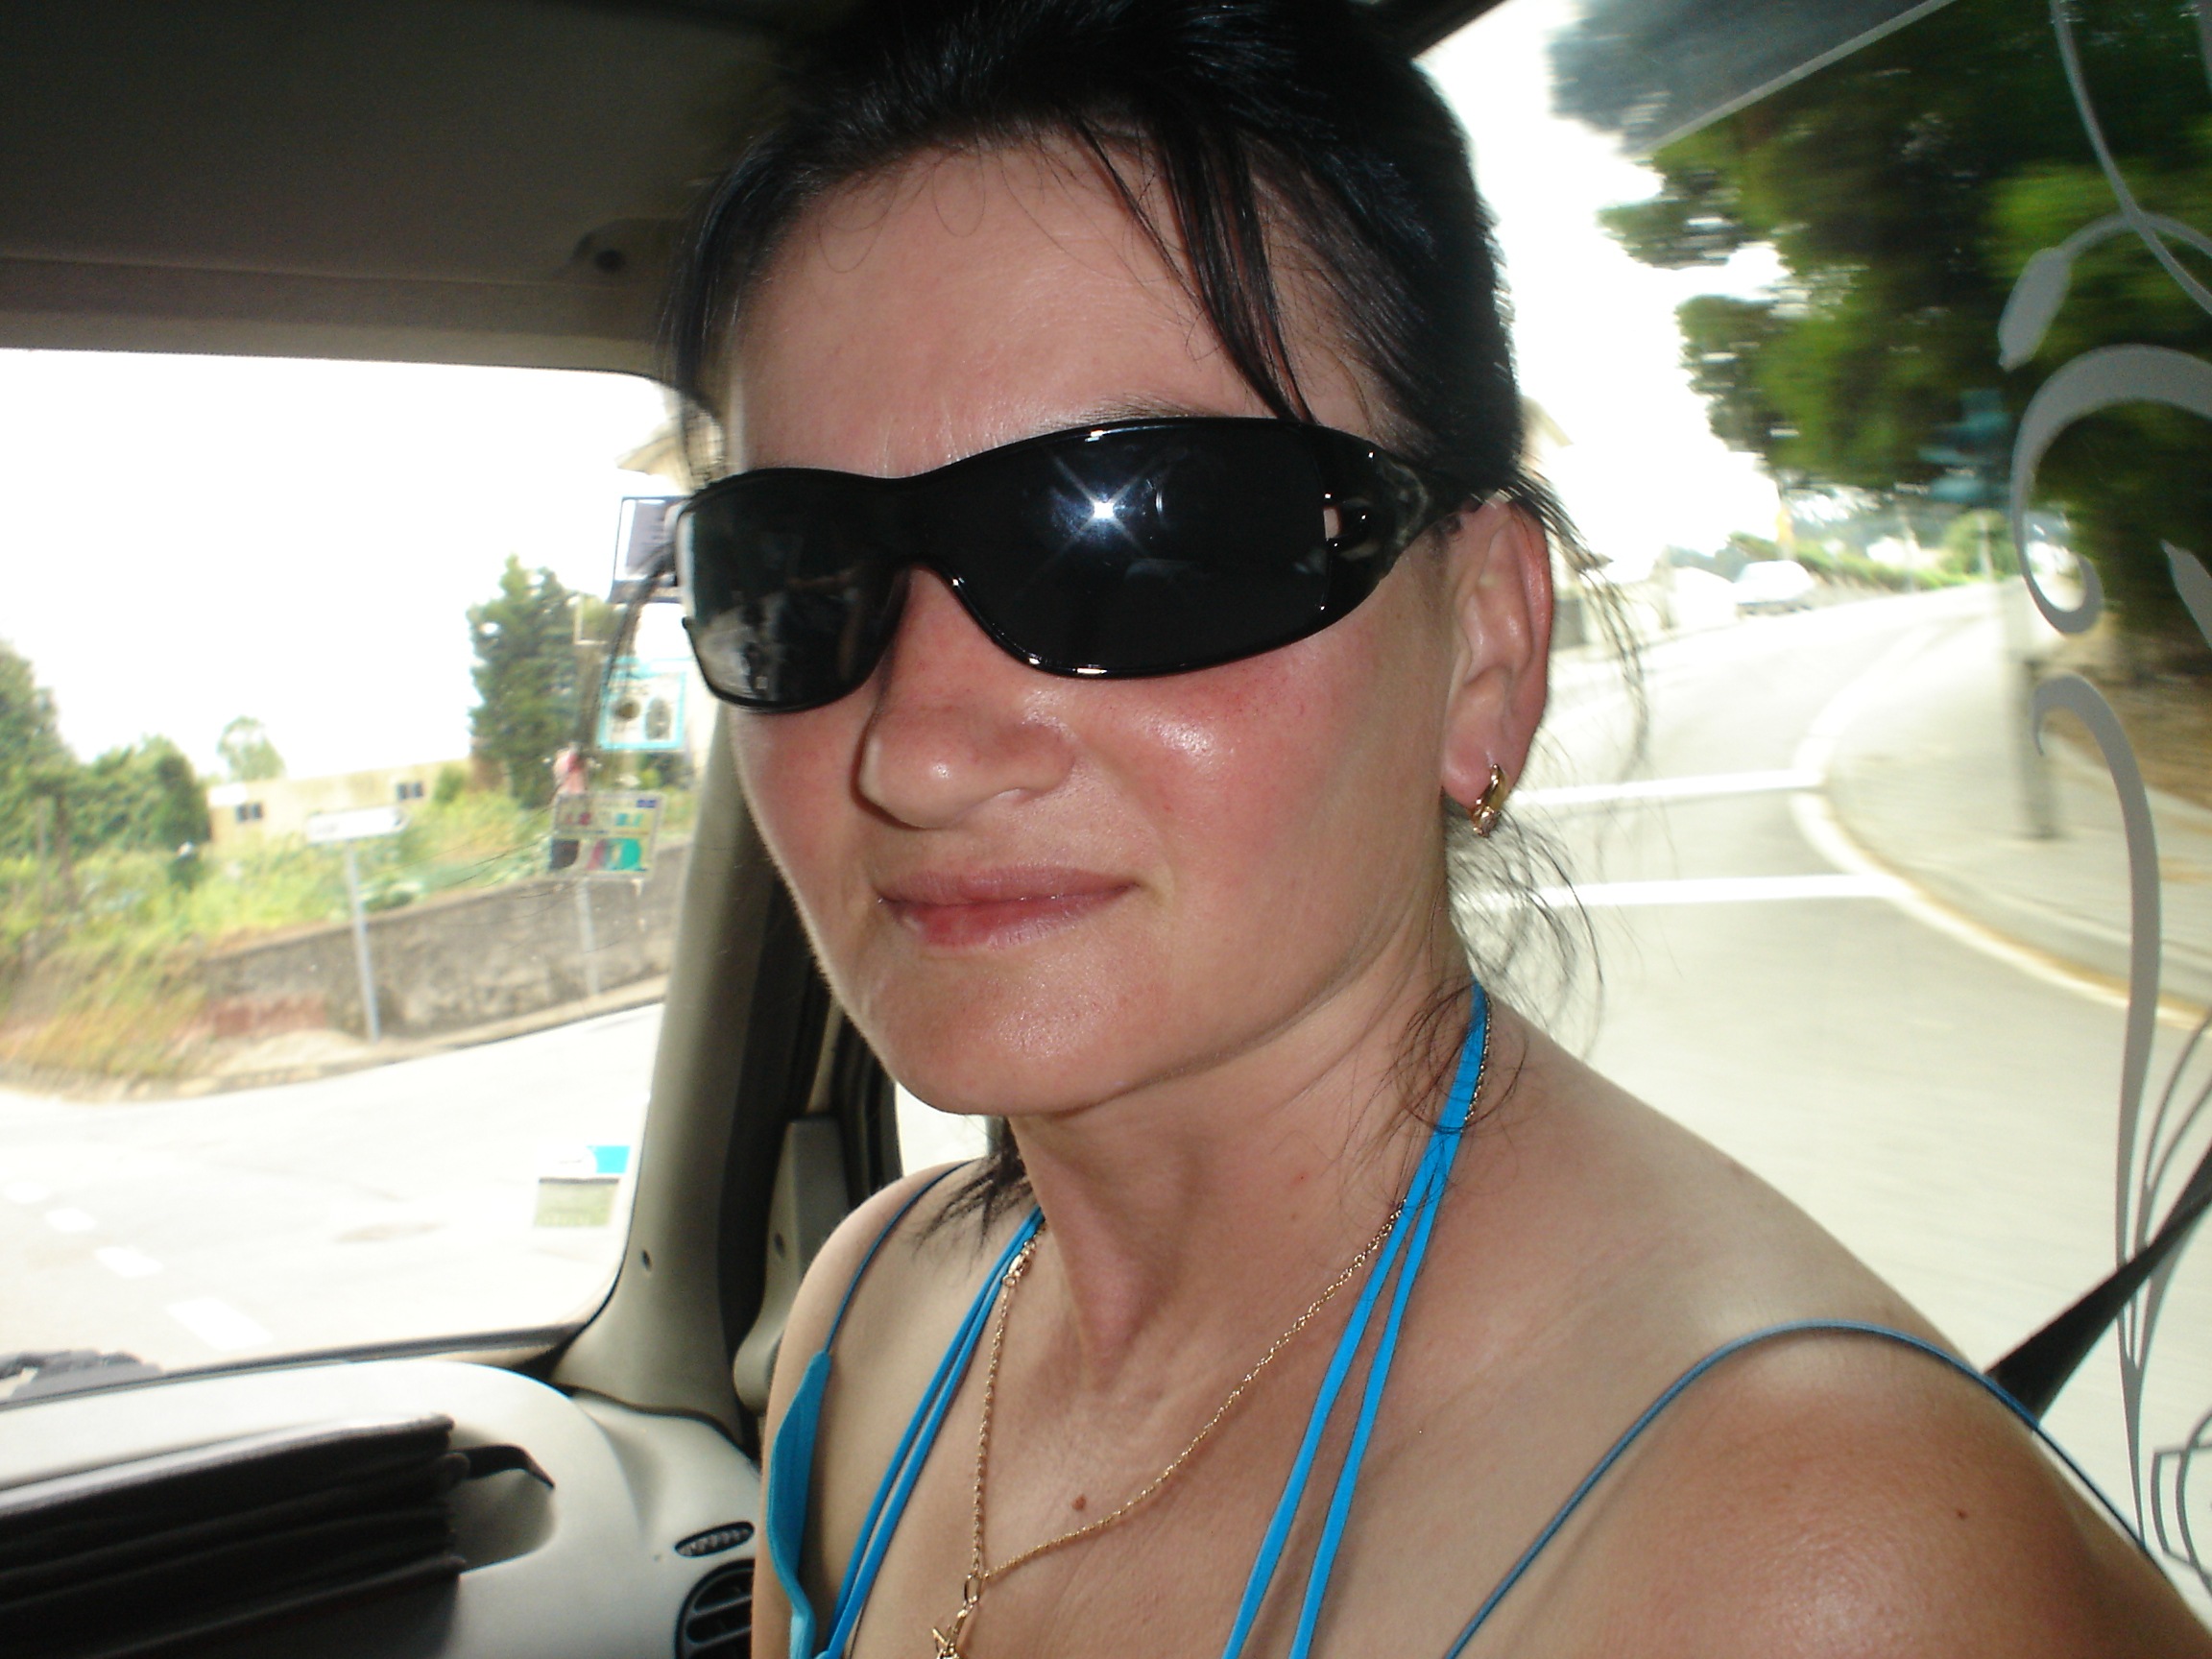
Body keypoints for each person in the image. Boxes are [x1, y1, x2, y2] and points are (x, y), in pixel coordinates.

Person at [664, 0, 2212, 1652]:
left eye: (1148, 538)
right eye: (794, 572)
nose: (916, 753)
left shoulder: (1807, 1568)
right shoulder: (867, 1325)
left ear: (1482, 649)